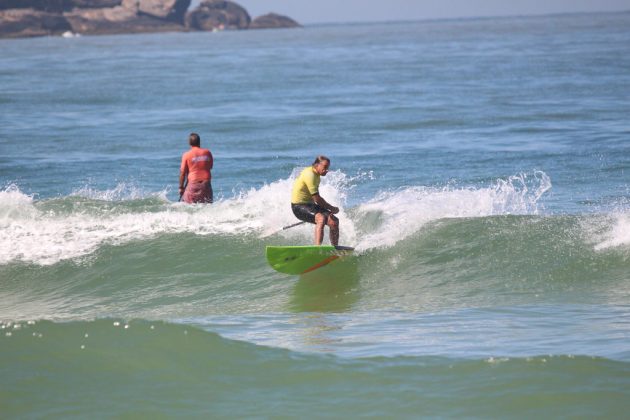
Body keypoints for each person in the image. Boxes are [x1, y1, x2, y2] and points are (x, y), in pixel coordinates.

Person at [291, 155, 340, 246]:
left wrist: (328, 212)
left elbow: (315, 200)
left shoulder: (317, 174)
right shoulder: (310, 175)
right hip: (298, 206)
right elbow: (317, 199)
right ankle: (317, 248)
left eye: (328, 167)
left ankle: (335, 249)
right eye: (325, 167)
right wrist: (332, 208)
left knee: (334, 221)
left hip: (310, 205)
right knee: (320, 218)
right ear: (317, 165)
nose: (327, 170)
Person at [179, 133, 213, 203]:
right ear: (199, 142)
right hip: (206, 184)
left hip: (193, 184)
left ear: (189, 143)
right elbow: (210, 166)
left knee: (187, 205)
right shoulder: (208, 152)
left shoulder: (186, 155)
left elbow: (182, 173)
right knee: (207, 205)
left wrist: (181, 188)